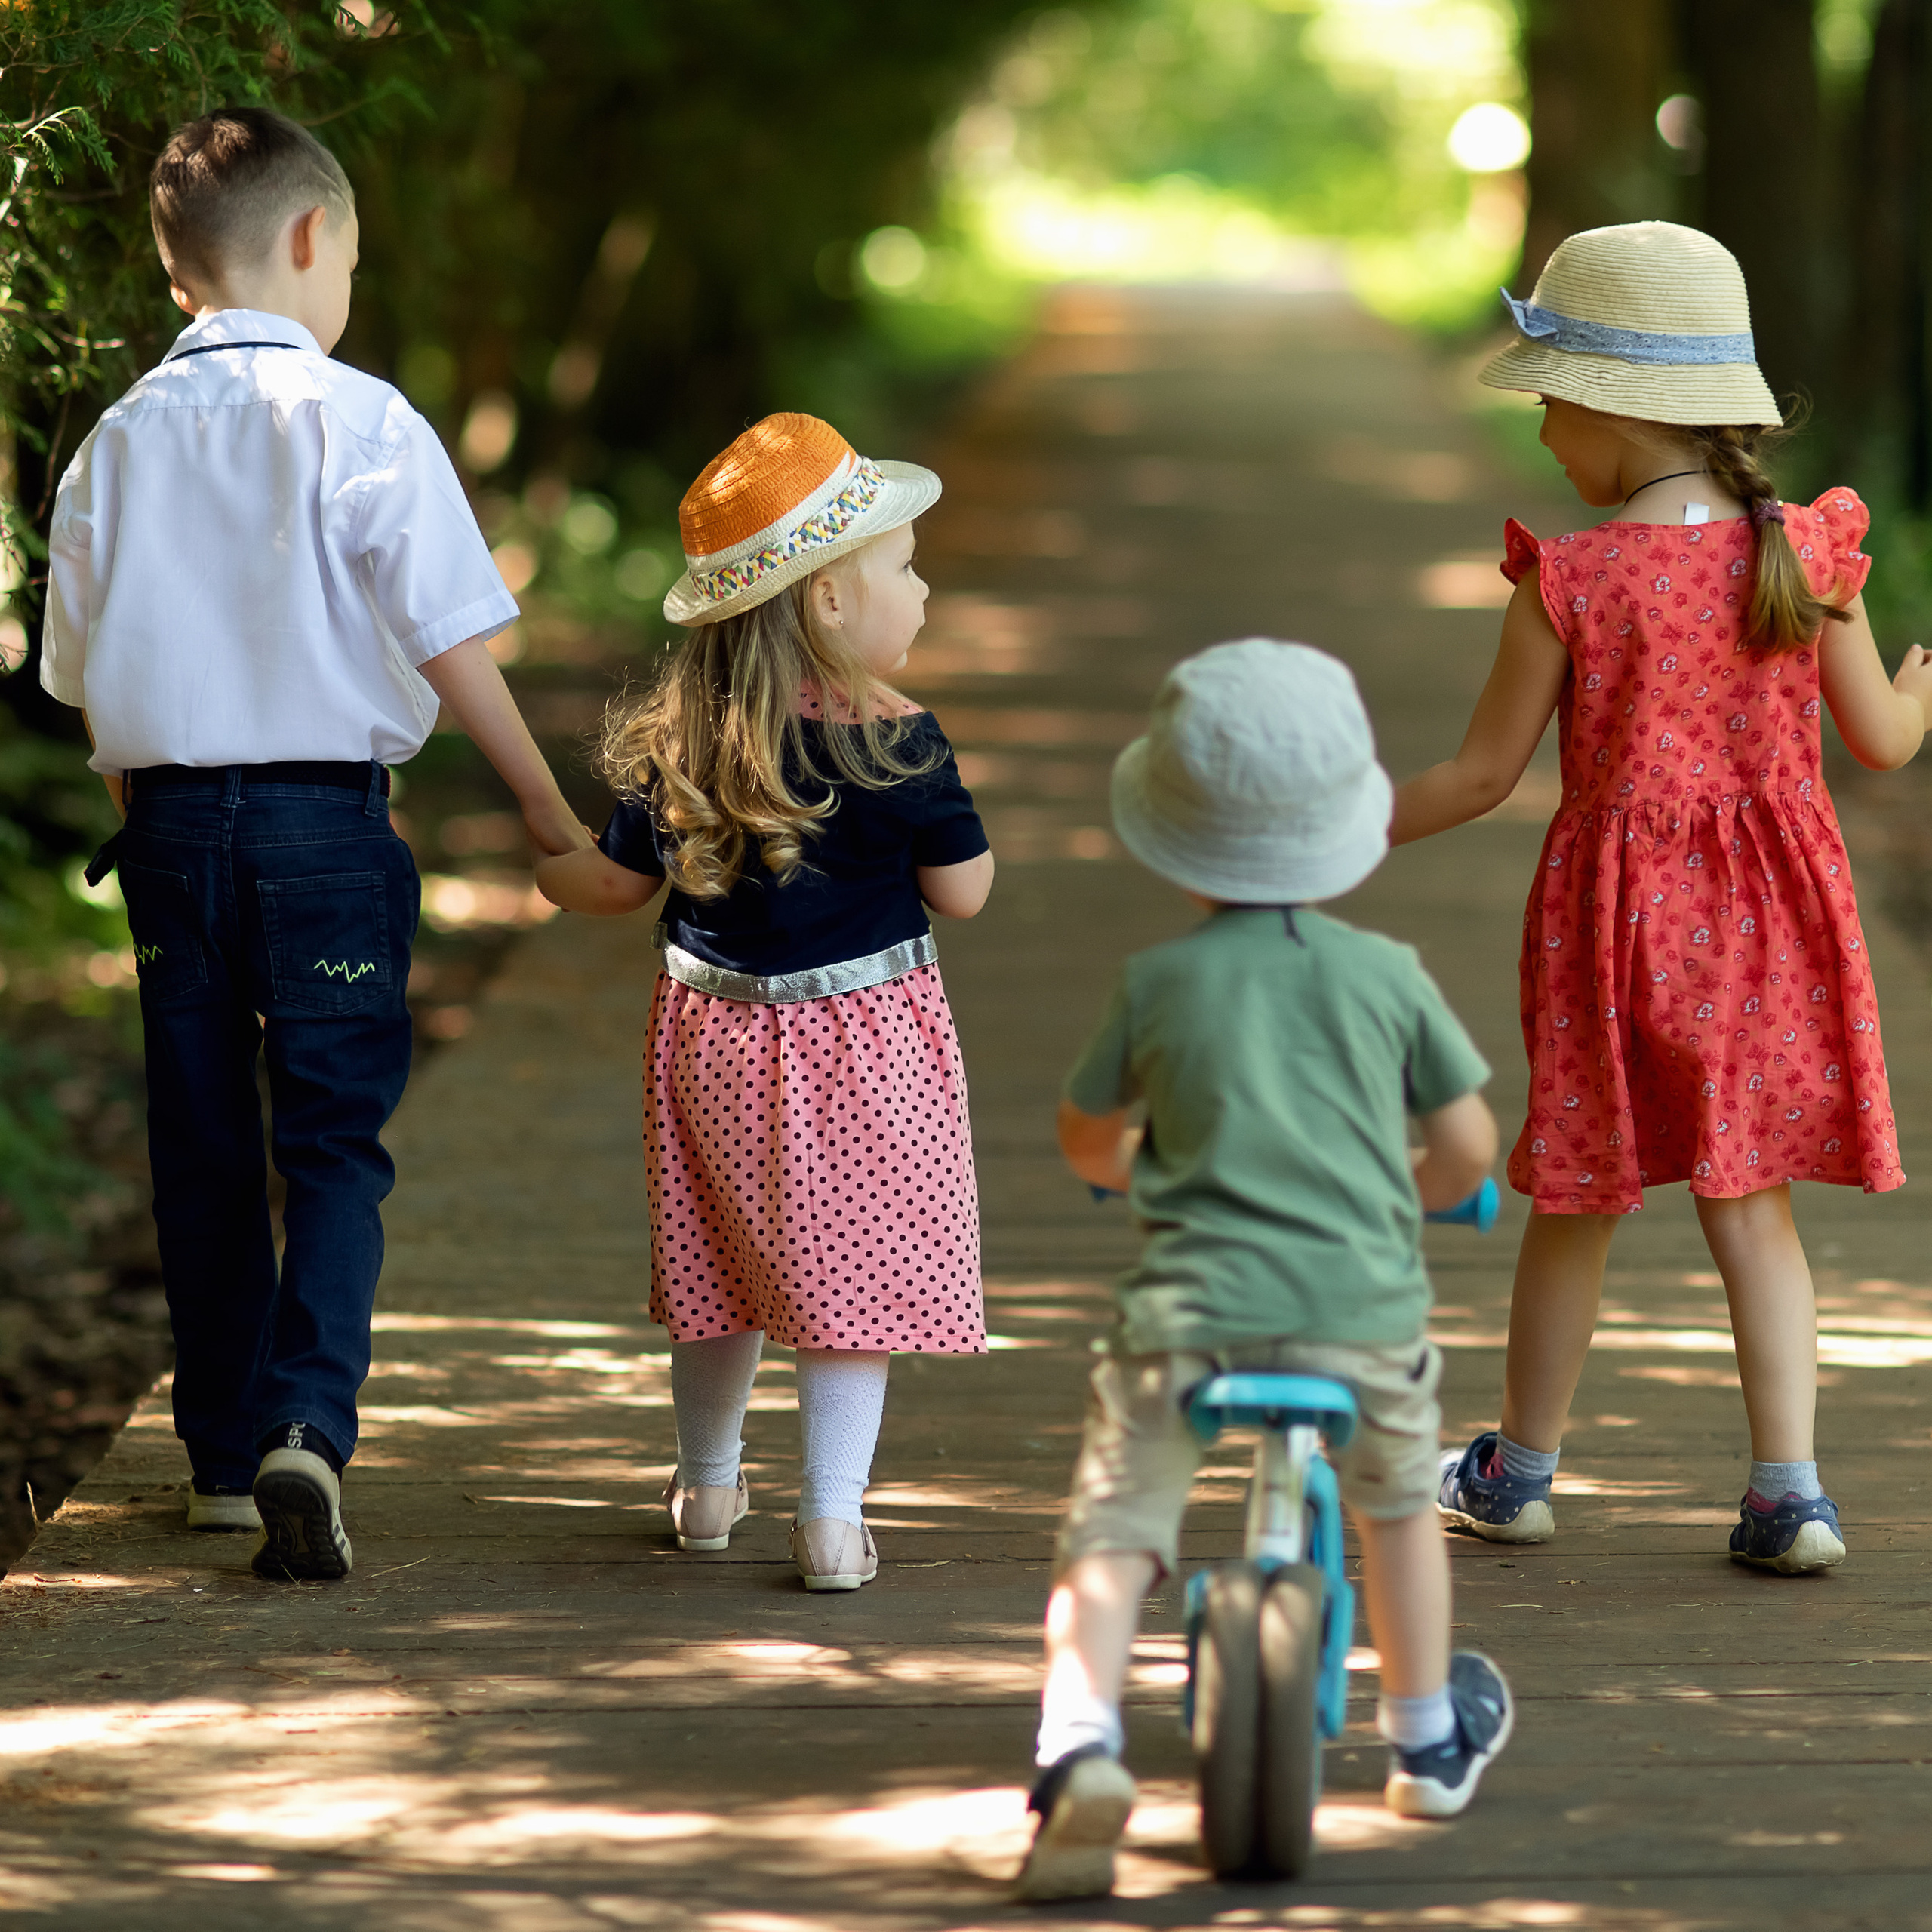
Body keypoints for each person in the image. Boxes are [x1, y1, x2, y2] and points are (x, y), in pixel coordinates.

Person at [41, 107, 586, 1581]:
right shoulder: (362, 419)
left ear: (175, 276)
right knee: (334, 1140)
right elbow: (450, 637)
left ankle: (222, 1462)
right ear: (306, 237)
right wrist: (546, 814)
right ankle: (304, 1424)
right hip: (324, 829)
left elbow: (88, 678)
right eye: (349, 256)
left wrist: (154, 812)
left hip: (166, 833)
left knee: (201, 1140)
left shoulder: (115, 442)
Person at [1401, 222, 1932, 1575]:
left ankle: (1519, 1474)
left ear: (1615, 409)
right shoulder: (1806, 556)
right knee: (1752, 1207)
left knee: (1578, 1197)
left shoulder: (1571, 581)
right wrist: (1916, 692)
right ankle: (1790, 1496)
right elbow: (1881, 744)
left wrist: (1335, 825)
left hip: (1613, 938)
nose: (1543, 436)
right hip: (1774, 937)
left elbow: (1477, 776)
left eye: (1551, 404)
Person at [1016, 640, 1512, 1905]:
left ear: (1175, 840)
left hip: (1190, 1323)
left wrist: (1139, 1167)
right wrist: (1417, 1193)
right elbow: (1468, 1150)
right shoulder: (1388, 976)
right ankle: (1423, 1740)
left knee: (1116, 1523)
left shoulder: (1157, 983)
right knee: (1398, 1506)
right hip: (1360, 1320)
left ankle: (1076, 1745)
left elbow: (1086, 1137)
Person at [534, 412, 993, 1592]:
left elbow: (612, 885)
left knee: (718, 1266)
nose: (923, 590)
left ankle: (705, 1487)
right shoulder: (902, 743)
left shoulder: (682, 739)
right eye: (904, 567)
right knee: (857, 1277)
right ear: (829, 600)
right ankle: (830, 1519)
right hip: (866, 1049)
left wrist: (548, 864)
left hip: (713, 1040)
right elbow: (966, 892)